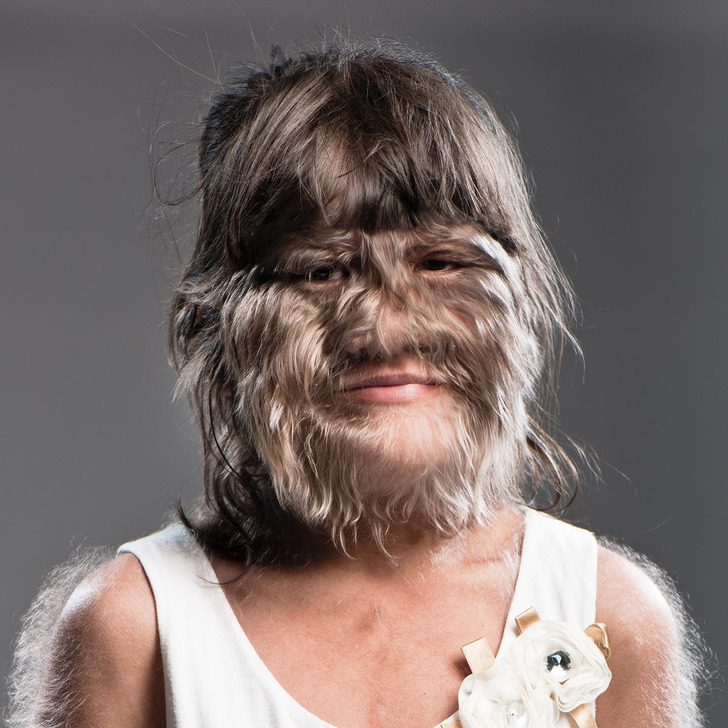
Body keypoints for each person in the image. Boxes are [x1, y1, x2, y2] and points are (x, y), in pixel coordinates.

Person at [7, 41, 706, 728]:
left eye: (438, 263)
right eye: (323, 270)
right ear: (221, 325)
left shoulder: (607, 611)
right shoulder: (135, 628)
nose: (385, 326)